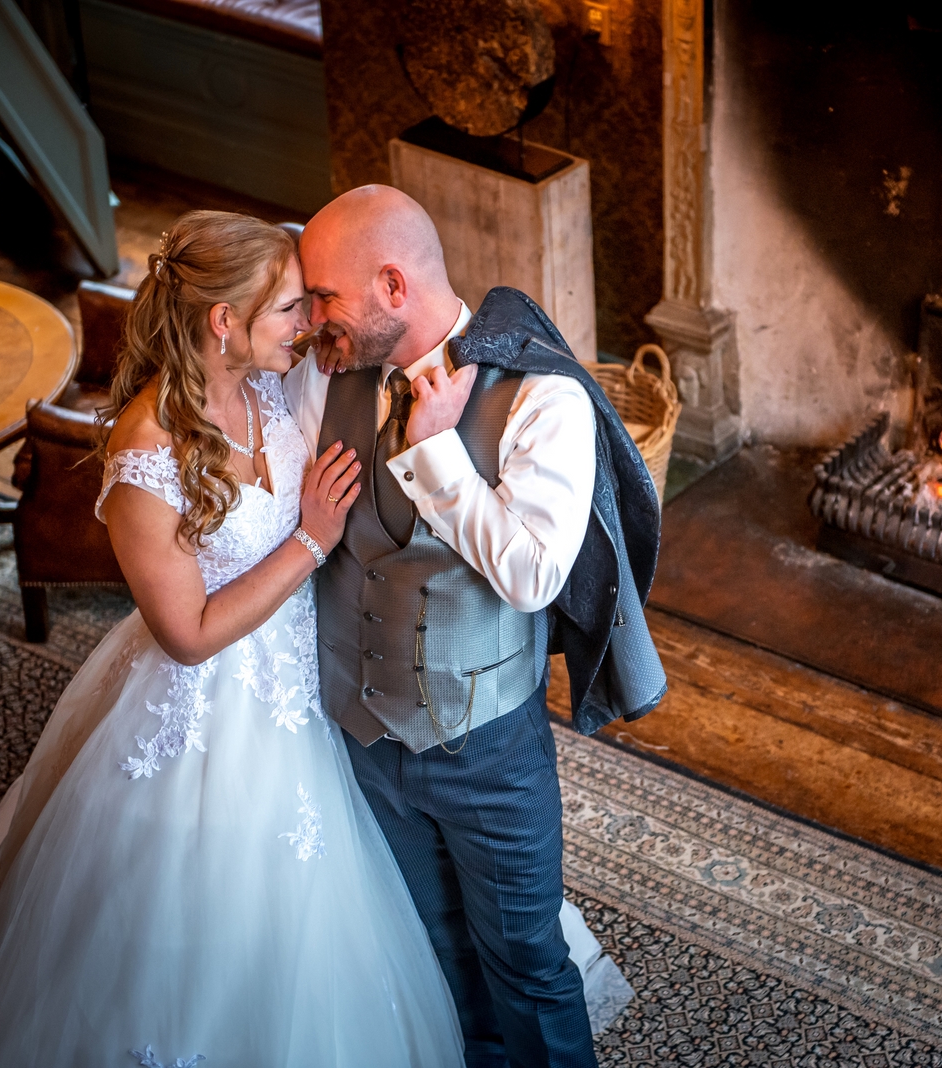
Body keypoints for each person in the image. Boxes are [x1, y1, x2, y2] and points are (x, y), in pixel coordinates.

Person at [0, 211, 466, 1067]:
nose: (308, 323)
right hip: (207, 706)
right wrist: (311, 540)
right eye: (291, 307)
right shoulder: (148, 452)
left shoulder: (264, 387)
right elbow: (186, 634)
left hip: (300, 682)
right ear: (224, 321)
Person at [286, 186, 667, 1068]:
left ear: (391, 286)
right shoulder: (326, 375)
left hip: (486, 751)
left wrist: (436, 458)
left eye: (326, 298)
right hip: (363, 736)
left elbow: (535, 575)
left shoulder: (542, 401)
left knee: (526, 966)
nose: (313, 322)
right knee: (433, 951)